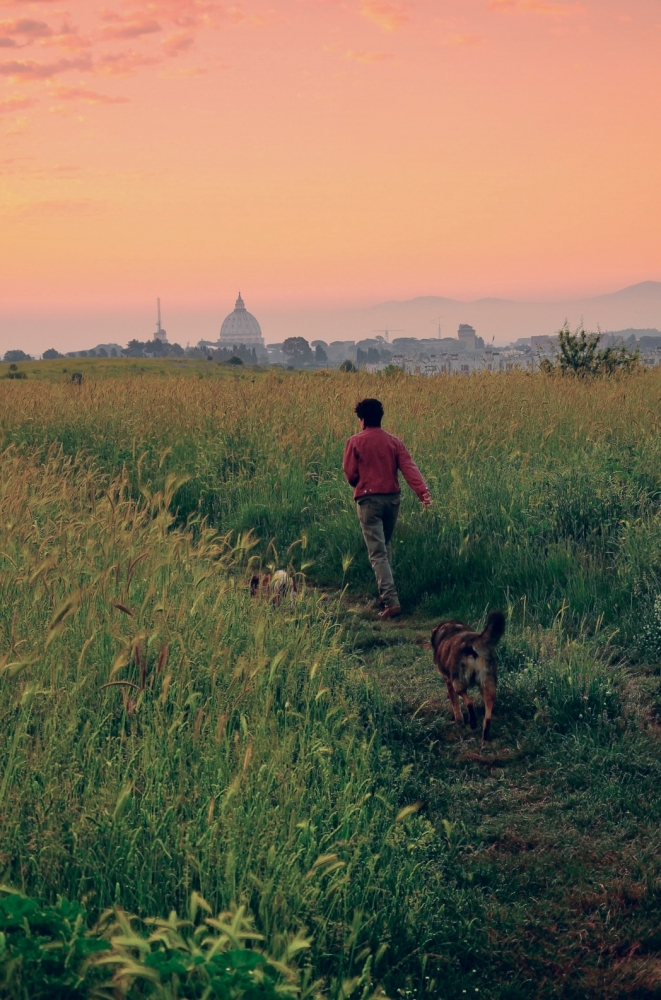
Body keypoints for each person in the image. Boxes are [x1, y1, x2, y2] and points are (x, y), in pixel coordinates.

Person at [343, 398, 431, 619]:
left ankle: (391, 601)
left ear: (361, 420)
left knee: (378, 553)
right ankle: (385, 595)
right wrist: (423, 493)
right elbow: (409, 468)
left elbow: (350, 474)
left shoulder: (354, 442)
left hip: (368, 501)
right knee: (385, 546)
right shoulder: (394, 442)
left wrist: (361, 483)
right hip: (392, 501)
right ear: (380, 417)